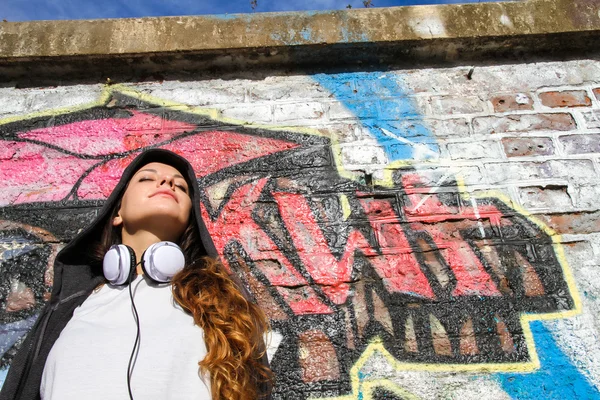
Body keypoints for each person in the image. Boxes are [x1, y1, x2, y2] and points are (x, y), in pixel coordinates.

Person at [0, 149, 272, 400]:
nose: (167, 183)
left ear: (190, 218)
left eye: (180, 185)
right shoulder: (69, 307)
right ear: (117, 212)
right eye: (147, 179)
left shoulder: (220, 302)